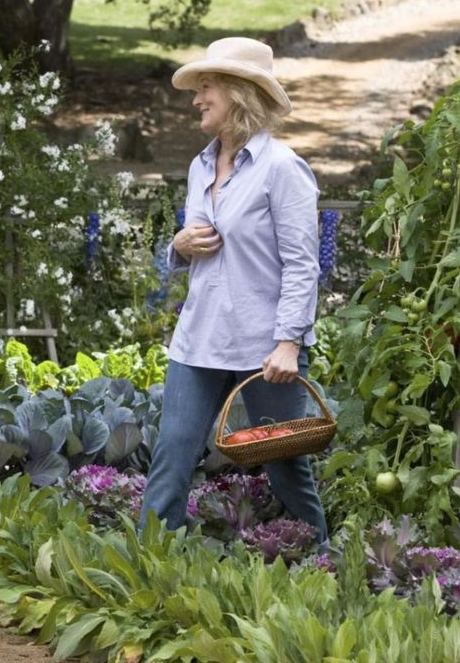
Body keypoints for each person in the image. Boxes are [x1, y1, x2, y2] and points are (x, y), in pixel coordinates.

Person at [139, 37, 327, 543]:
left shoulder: (282, 169)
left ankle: (326, 570)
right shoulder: (202, 165)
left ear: (240, 93)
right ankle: (148, 569)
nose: (196, 99)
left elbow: (302, 264)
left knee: (286, 468)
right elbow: (198, 247)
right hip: (199, 337)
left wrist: (289, 342)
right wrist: (178, 245)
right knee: (172, 454)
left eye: (206, 88)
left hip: (267, 348)